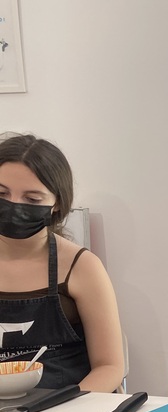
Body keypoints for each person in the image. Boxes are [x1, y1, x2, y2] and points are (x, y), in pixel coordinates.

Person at [0, 133, 124, 392]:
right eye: (2, 193)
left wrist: (72, 409)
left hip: (67, 406)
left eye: (32, 199)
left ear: (57, 203)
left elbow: (110, 367)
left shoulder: (81, 266)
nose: (14, 206)